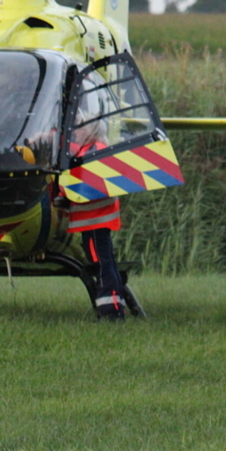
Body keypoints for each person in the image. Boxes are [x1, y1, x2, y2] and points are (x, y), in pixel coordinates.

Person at [66, 118, 126, 320]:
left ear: (91, 131)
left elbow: (83, 185)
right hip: (93, 221)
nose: (77, 132)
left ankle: (110, 312)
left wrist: (63, 195)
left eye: (81, 129)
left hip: (95, 221)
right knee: (103, 262)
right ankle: (114, 307)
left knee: (101, 264)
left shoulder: (95, 152)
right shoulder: (91, 150)